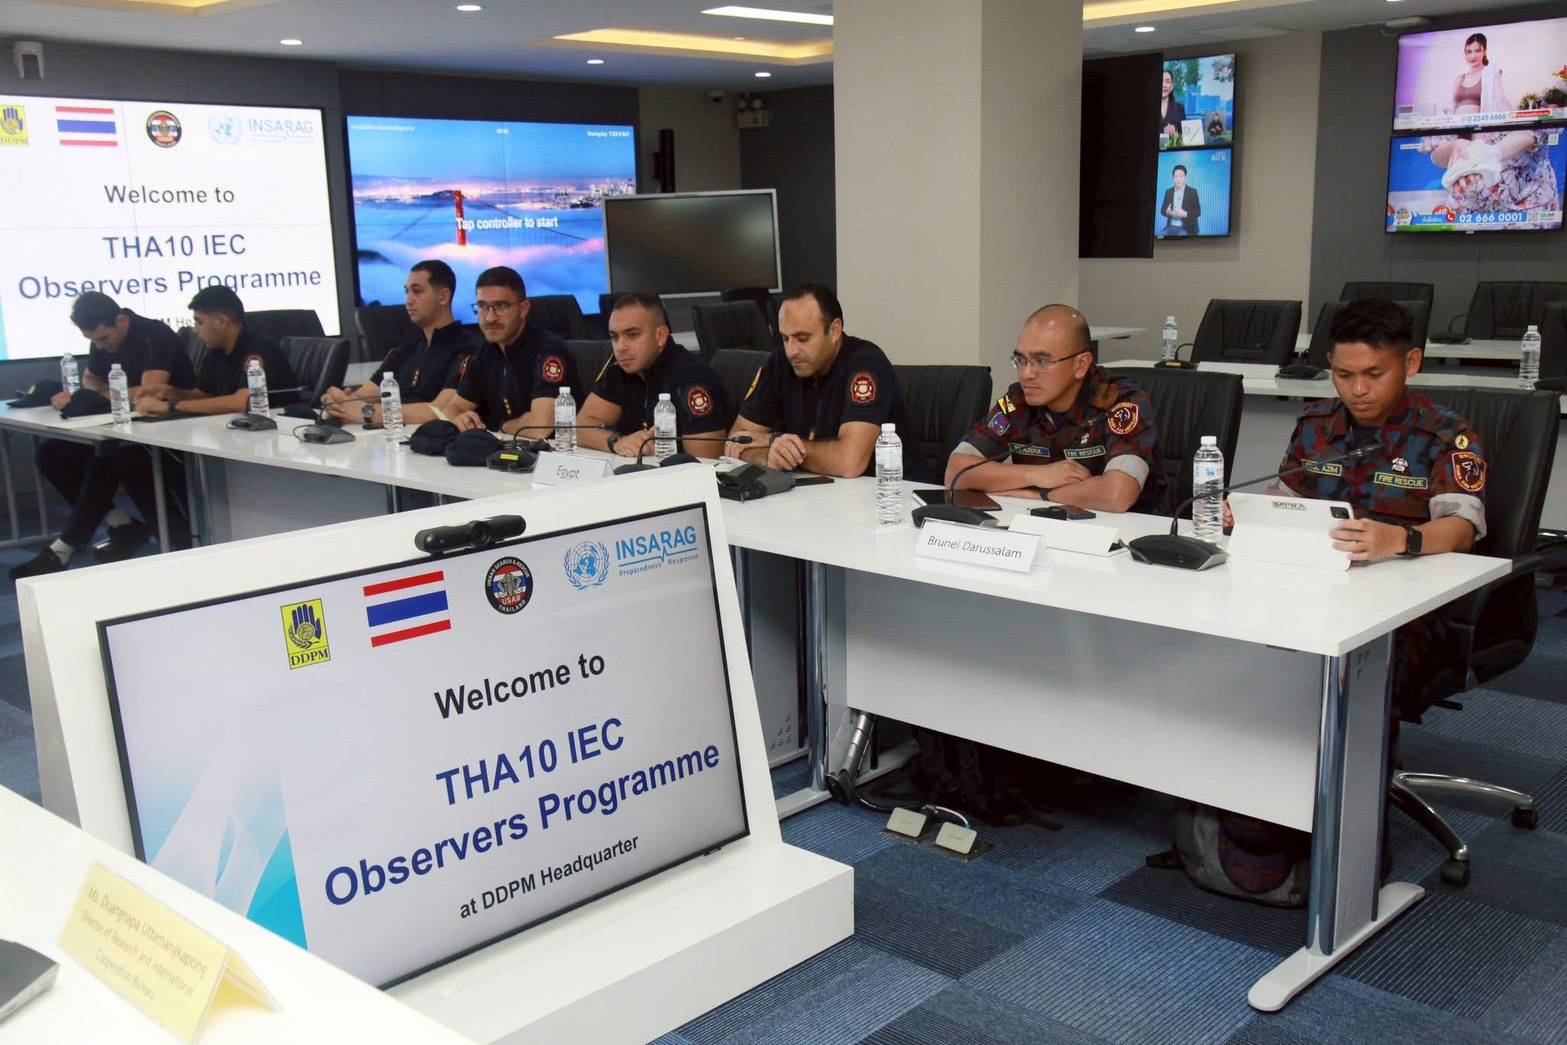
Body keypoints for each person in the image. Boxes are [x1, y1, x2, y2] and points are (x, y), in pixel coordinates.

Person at [1234, 297, 1485, 706]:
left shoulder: (1445, 434)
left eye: (1374, 374)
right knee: (1241, 646)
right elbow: (1286, 504)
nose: (1358, 390)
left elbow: (1461, 530)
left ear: (1411, 362)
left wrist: (1400, 539)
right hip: (1317, 586)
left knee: (1352, 681)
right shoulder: (1315, 425)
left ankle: (1355, 747)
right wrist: (1249, 517)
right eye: (1344, 375)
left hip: (1404, 606)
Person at [10, 293, 196, 578]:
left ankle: (65, 547)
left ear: (121, 321)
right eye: (94, 341)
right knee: (52, 454)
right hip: (130, 428)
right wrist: (108, 394)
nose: (100, 346)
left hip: (173, 429)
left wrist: (103, 395)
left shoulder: (154, 335)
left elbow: (150, 392)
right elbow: (91, 380)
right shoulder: (103, 340)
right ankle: (121, 524)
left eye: (104, 338)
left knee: (112, 458)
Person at [123, 286, 298, 548]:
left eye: (199, 322)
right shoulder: (216, 350)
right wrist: (169, 392)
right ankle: (181, 538)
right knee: (139, 462)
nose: (196, 330)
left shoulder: (257, 349)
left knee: (174, 467)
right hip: (233, 435)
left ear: (222, 321)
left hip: (271, 442)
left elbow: (241, 401)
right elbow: (205, 395)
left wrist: (172, 407)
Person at [948, 305, 1164, 513]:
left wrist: (1040, 495)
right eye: (1021, 360)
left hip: (1128, 529)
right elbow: (956, 472)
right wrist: (1037, 475)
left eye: (1042, 361)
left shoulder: (1120, 401)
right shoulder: (1018, 401)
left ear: (1081, 364)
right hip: (1042, 522)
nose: (1026, 374)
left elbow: (1117, 494)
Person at [725, 283, 930, 481]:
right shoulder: (780, 362)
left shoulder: (866, 363)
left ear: (834, 330)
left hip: (891, 494)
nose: (791, 351)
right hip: (817, 492)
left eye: (803, 338)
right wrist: (768, 458)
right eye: (785, 339)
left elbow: (849, 462)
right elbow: (736, 440)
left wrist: (778, 444)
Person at [321, 260, 478, 426]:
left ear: (443, 297)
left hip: (432, 438)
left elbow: (439, 411)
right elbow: (361, 397)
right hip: (391, 435)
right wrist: (338, 403)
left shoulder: (468, 349)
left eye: (417, 291)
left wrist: (366, 411)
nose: (408, 301)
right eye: (407, 292)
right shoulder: (406, 349)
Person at [575, 292, 729, 460]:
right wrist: (618, 442)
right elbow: (580, 428)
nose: (620, 347)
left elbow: (707, 461)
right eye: (614, 337)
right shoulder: (619, 371)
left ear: (661, 336)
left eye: (632, 335)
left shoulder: (692, 377)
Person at [443, 266, 576, 438]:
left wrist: (501, 426)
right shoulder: (486, 351)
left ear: (524, 308)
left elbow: (541, 428)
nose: (490, 317)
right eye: (482, 306)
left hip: (555, 451)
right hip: (507, 447)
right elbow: (451, 409)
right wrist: (460, 420)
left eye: (501, 306)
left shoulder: (547, 350)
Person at [1421, 130, 1559, 226]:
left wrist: (1485, 155)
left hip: (1527, 202)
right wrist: (1458, 147)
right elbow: (1436, 154)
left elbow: (1535, 133)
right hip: (1466, 206)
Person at [1452, 32, 1510, 117]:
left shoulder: (1492, 71)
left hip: (1478, 124)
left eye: (1477, 51)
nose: (1473, 56)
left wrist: (1515, 120)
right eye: (1469, 52)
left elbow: (1501, 99)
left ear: (1485, 51)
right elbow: (1451, 106)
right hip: (1456, 124)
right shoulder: (1459, 78)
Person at [1160, 164, 1201, 236]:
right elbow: (1162, 211)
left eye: (1181, 176)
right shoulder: (1169, 192)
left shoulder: (1192, 192)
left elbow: (1198, 212)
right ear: (1173, 178)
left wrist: (1185, 214)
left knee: (1181, 236)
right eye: (1176, 176)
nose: (1178, 179)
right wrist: (1168, 212)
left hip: (1185, 228)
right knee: (1161, 235)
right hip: (1170, 227)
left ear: (1186, 177)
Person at [1159, 67, 1187, 144]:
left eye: (1167, 82)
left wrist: (1175, 132)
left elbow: (1186, 138)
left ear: (1171, 86)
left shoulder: (1180, 108)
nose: (1164, 85)